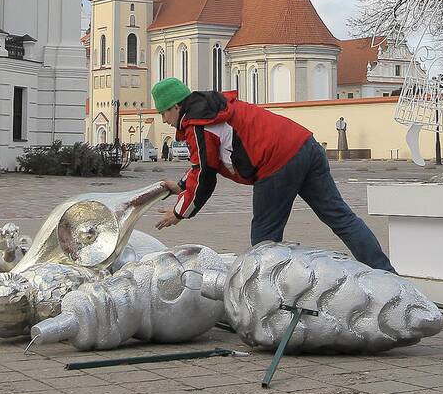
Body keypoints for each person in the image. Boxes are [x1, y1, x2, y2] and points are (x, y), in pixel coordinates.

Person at [150, 78, 393, 272]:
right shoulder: (212, 108)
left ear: (177, 106)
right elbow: (202, 165)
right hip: (305, 145)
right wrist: (181, 186)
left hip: (277, 162)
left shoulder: (198, 124)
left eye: (164, 113)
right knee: (341, 218)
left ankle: (269, 300)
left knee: (264, 241)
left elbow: (205, 175)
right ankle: (387, 277)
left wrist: (180, 212)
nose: (164, 120)